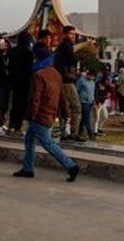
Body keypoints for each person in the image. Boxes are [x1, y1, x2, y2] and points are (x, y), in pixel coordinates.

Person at [13, 48, 80, 182]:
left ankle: (71, 166)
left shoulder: (38, 75)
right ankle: (27, 168)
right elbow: (63, 97)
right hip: (50, 112)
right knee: (29, 140)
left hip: (40, 115)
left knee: (48, 143)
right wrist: (66, 113)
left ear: (38, 58)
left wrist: (31, 115)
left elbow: (35, 99)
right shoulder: (56, 74)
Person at [54, 25, 81, 139]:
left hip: (63, 79)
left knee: (64, 107)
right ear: (65, 34)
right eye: (71, 34)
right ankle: (73, 132)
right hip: (67, 80)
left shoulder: (61, 47)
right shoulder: (67, 46)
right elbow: (72, 60)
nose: (73, 36)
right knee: (76, 107)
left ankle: (65, 131)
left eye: (74, 34)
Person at [9, 31, 34, 135]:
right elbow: (29, 69)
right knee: (22, 105)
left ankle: (11, 125)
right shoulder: (28, 53)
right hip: (25, 82)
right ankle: (18, 128)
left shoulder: (13, 51)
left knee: (15, 104)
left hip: (14, 81)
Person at [76, 69, 96, 141]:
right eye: (91, 76)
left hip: (90, 101)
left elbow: (93, 93)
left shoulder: (92, 83)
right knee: (87, 118)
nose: (92, 78)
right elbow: (77, 90)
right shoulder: (81, 81)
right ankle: (91, 134)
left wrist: (94, 102)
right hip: (83, 101)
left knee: (84, 119)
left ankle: (79, 133)